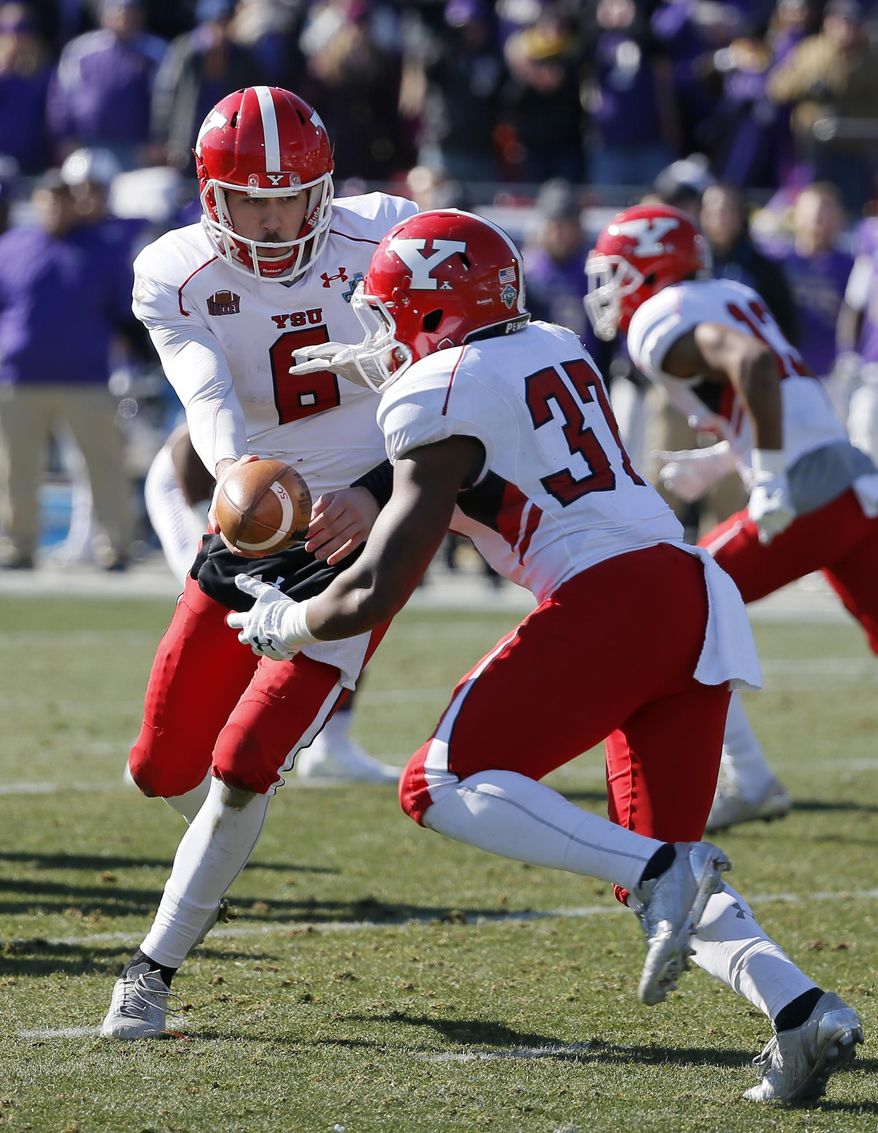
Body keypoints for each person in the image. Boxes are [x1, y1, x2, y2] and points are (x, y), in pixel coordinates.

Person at [230, 208, 862, 1104]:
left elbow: (377, 587)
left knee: (439, 783)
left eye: (391, 314)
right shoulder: (555, 341)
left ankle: (662, 871)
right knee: (651, 855)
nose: (381, 336)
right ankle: (801, 1011)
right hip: (689, 592)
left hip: (611, 599)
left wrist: (285, 625)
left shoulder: (436, 392)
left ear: (436, 312)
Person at [98, 84, 412, 1042]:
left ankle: (149, 971)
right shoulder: (174, 274)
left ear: (326, 187)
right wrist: (240, 476)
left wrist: (385, 485)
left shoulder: (391, 235)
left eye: (291, 195)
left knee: (244, 764)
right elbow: (202, 390)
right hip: (251, 518)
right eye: (251, 199)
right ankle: (214, 838)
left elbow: (458, 365)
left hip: (372, 521)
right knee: (162, 768)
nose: (275, 219)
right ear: (210, 198)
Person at [584, 201, 878, 832]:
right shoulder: (727, 293)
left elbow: (754, 367)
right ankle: (749, 779)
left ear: (652, 269)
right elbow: (783, 391)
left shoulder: (661, 320)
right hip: (850, 481)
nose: (608, 289)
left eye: (618, 271)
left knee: (674, 605)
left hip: (808, 493)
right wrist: (724, 460)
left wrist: (767, 476)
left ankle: (748, 779)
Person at [142, 420, 396, 781]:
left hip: (290, 504)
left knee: (338, 607)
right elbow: (187, 444)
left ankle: (331, 744)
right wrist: (213, 520)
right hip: (204, 493)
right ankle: (182, 741)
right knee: (227, 604)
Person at [0, 170, 136, 570]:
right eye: (50, 198)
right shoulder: (11, 245)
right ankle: (17, 545)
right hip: (19, 376)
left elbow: (124, 314)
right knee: (16, 470)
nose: (57, 207)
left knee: (105, 466)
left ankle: (117, 545)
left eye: (64, 198)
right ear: (37, 202)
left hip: (86, 376)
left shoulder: (101, 249)